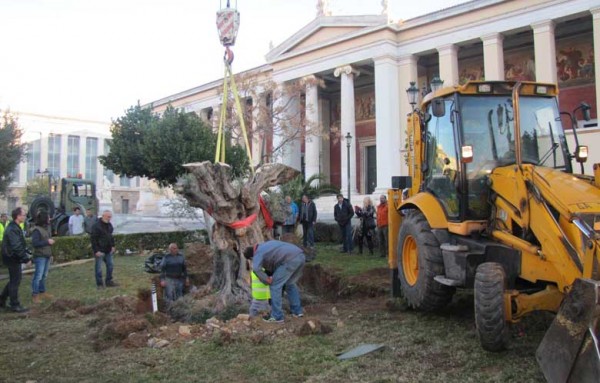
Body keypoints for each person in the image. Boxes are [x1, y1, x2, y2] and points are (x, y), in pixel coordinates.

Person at [243, 240, 306, 323]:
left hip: (289, 260)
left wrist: (266, 279)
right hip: (300, 256)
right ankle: (297, 311)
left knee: (275, 286)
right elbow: (275, 262)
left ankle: (277, 316)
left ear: (251, 257)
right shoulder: (266, 246)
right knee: (290, 284)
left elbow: (256, 269)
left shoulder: (258, 253)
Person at [0, 207, 32, 313]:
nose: (25, 216)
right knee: (15, 281)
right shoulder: (13, 229)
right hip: (12, 258)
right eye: (23, 215)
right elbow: (16, 246)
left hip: (11, 257)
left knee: (13, 280)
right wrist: (25, 259)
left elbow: (20, 244)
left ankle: (2, 300)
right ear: (18, 216)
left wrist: (27, 252)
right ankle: (15, 305)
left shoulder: (15, 227)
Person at [31, 210, 56, 304]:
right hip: (40, 256)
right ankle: (35, 295)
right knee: (38, 276)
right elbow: (35, 243)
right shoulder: (36, 230)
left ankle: (42, 292)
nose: (50, 219)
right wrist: (47, 242)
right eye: (48, 217)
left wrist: (51, 254)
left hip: (46, 255)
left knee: (44, 276)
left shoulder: (46, 228)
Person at [90, 210, 118, 289]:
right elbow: (93, 240)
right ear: (103, 216)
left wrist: (113, 246)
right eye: (108, 217)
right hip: (100, 250)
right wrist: (96, 251)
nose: (109, 218)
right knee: (98, 268)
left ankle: (109, 281)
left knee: (110, 266)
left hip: (108, 250)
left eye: (110, 217)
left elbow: (110, 236)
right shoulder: (96, 226)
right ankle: (99, 284)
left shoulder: (109, 225)